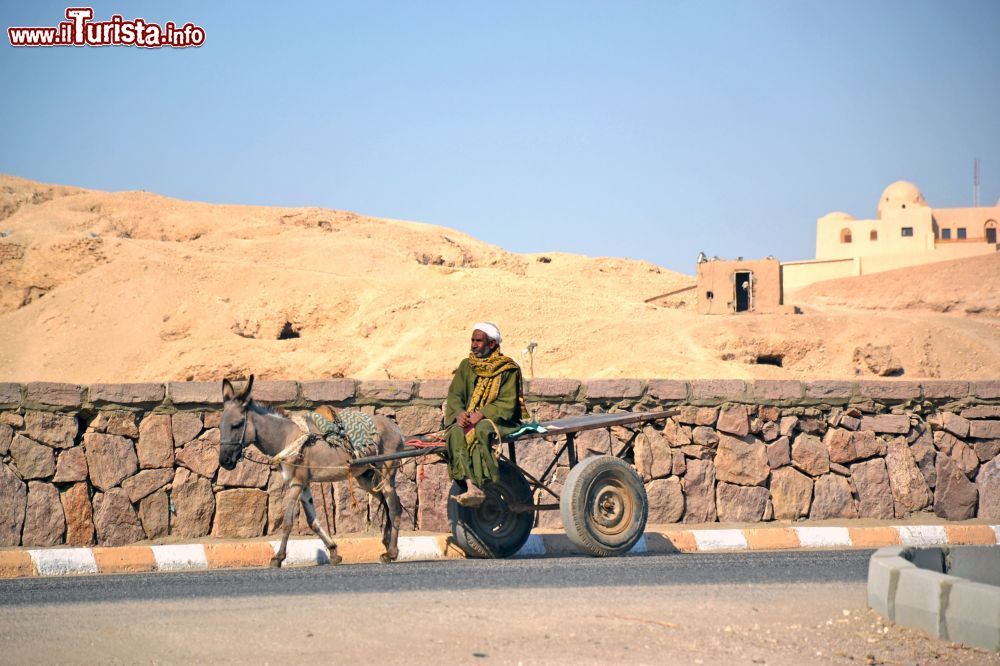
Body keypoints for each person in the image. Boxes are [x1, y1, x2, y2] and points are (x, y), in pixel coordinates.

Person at [444, 322, 525, 507]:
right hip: (469, 418)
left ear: (492, 344)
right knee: (457, 432)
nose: (473, 345)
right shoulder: (466, 366)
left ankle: (488, 481)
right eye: (472, 340)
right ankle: (470, 486)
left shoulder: (508, 369)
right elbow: (455, 395)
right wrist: (459, 414)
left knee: (480, 430)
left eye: (478, 341)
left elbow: (507, 403)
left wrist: (482, 413)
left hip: (498, 420)